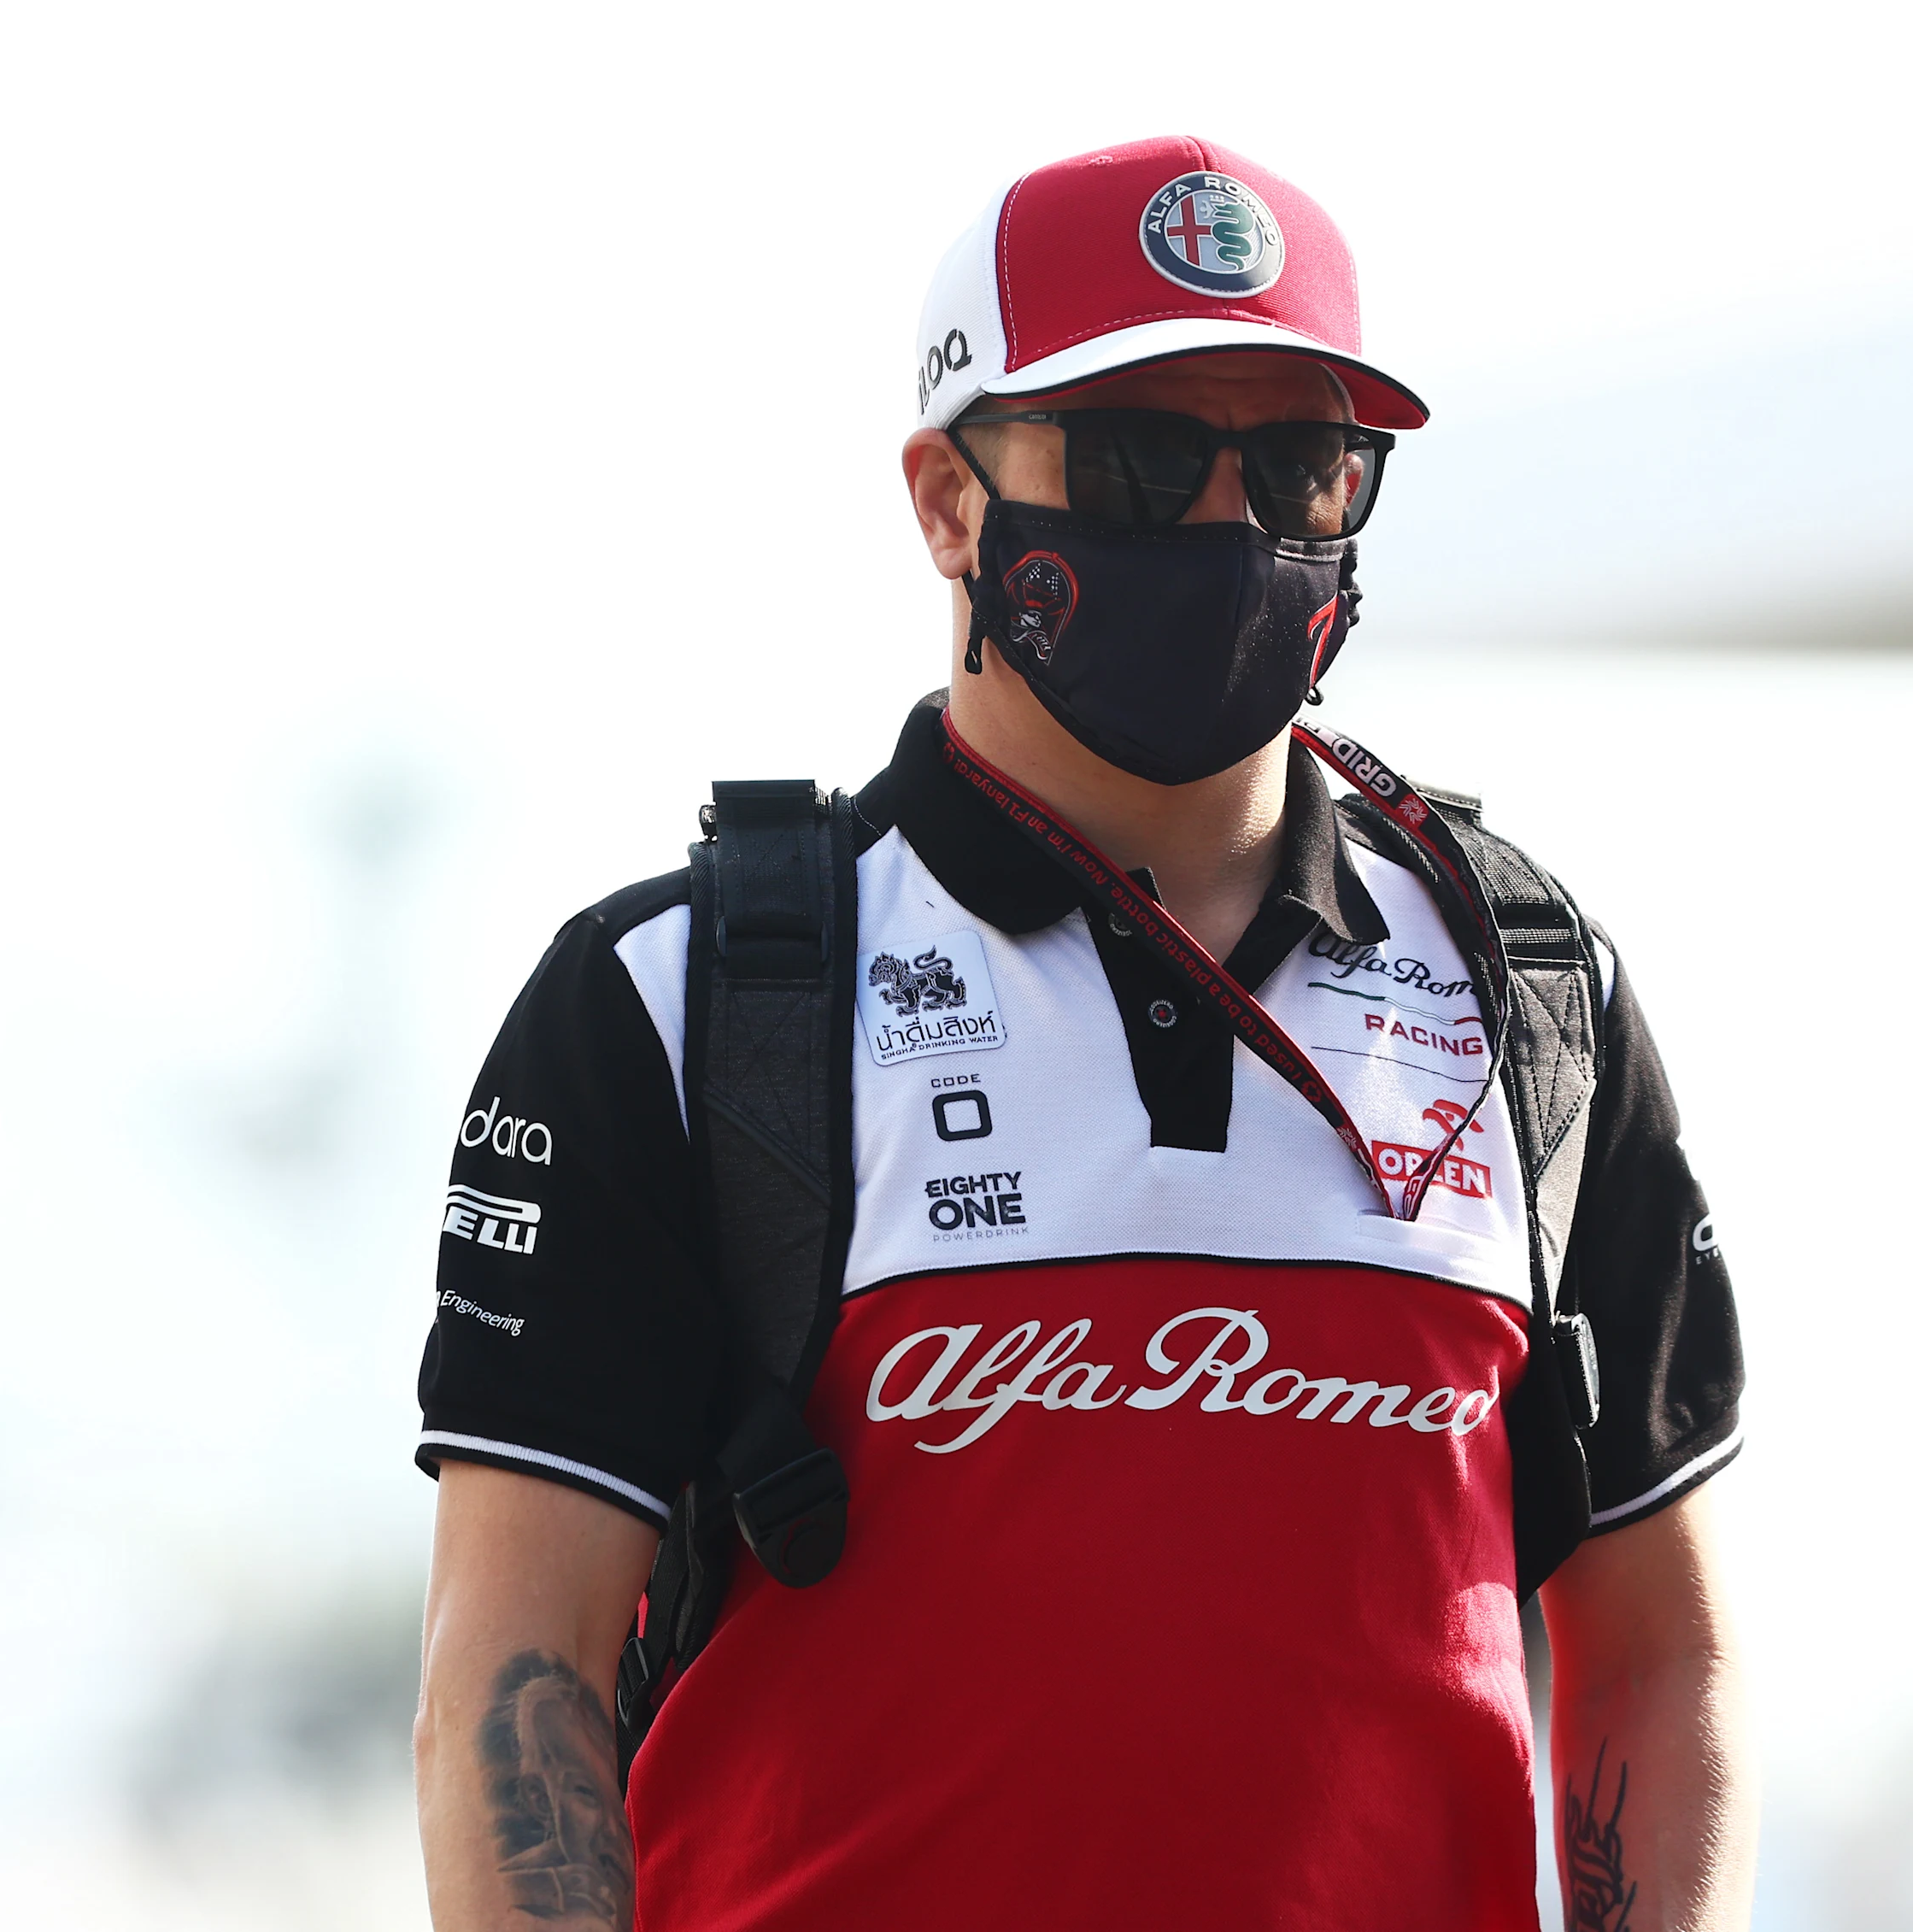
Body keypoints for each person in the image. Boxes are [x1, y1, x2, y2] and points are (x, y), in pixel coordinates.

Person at [410, 135, 1751, 1930]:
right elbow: (516, 1677)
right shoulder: (679, 1003)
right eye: (1135, 458)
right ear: (945, 501)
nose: (1222, 524)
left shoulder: (1532, 990)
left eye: (1296, 462)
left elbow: (1663, 1658)